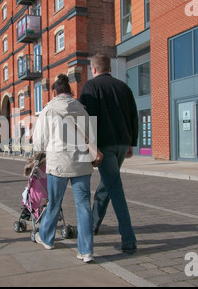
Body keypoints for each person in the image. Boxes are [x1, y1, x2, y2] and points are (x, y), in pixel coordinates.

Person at [33, 74, 102, 263]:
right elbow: (91, 136)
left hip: (58, 163)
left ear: (55, 91)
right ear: (70, 91)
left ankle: (47, 239)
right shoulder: (81, 109)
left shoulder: (48, 111)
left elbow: (39, 142)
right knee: (83, 206)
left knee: (54, 203)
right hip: (81, 162)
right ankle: (86, 251)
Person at [79, 53, 139, 254]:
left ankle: (129, 239)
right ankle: (94, 223)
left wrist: (89, 147)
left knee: (115, 188)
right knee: (108, 183)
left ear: (93, 69)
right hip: (122, 143)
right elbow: (133, 116)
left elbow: (88, 119)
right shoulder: (124, 87)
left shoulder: (90, 87)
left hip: (104, 146)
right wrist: (131, 142)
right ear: (109, 67)